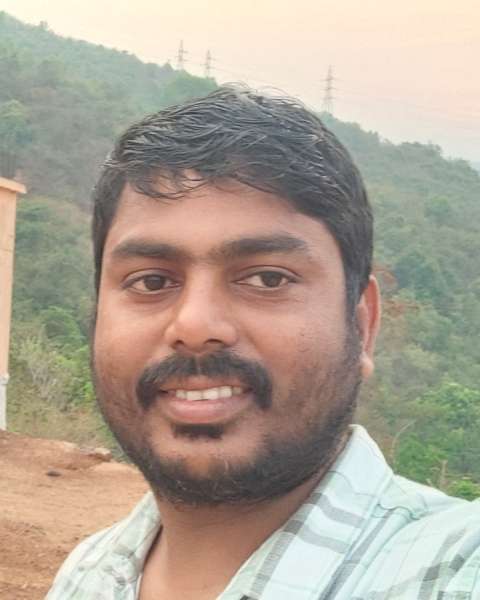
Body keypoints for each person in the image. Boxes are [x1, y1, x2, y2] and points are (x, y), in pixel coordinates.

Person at [47, 86, 480, 600]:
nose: (194, 325)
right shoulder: (87, 574)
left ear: (362, 325)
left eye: (268, 279)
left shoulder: (453, 570)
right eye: (152, 281)